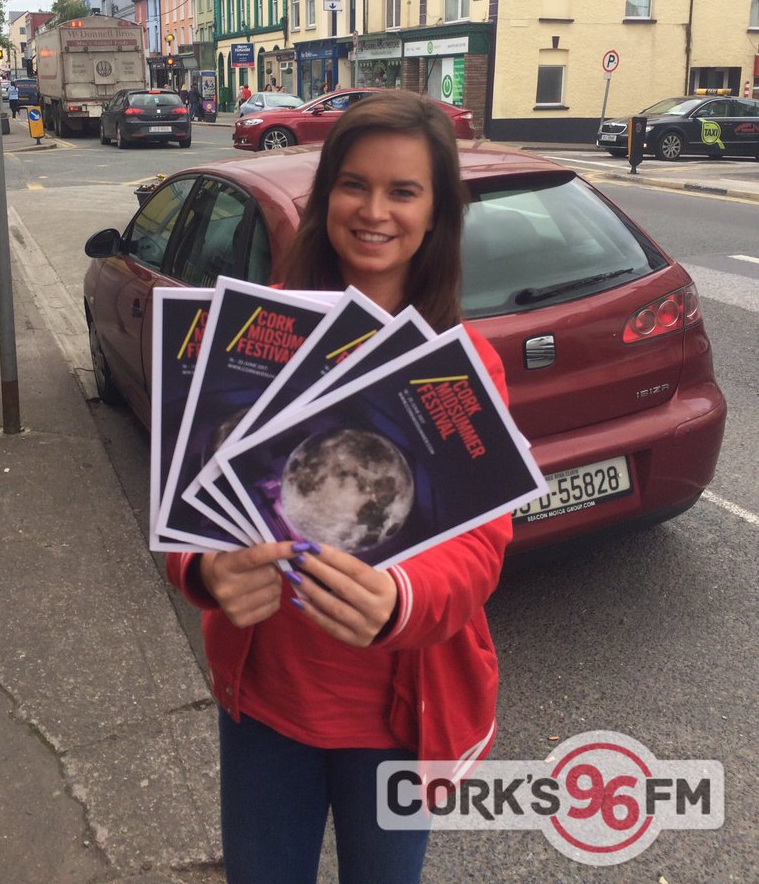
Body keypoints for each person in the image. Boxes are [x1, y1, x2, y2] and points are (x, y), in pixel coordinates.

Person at [167, 92, 512, 884]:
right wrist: (204, 574)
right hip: (267, 705)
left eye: (404, 191)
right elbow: (185, 507)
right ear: (325, 201)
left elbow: (480, 551)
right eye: (354, 185)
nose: (375, 211)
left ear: (436, 214)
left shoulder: (462, 364)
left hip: (397, 717)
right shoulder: (259, 332)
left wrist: (401, 601)